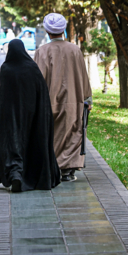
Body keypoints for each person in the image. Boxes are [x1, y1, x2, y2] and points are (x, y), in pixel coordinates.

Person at [0, 39, 61, 192]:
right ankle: (30, 176)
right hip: (31, 113)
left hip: (10, 113)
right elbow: (42, 90)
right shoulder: (32, 68)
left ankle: (15, 174)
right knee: (31, 141)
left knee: (12, 143)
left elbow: (4, 93)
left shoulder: (6, 68)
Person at [34, 13, 92, 182]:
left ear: (47, 30)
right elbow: (83, 76)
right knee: (72, 134)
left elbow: (37, 79)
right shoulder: (75, 50)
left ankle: (52, 167)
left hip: (49, 101)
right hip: (73, 100)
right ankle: (68, 171)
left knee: (51, 134)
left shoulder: (42, 51)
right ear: (63, 29)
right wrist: (87, 99)